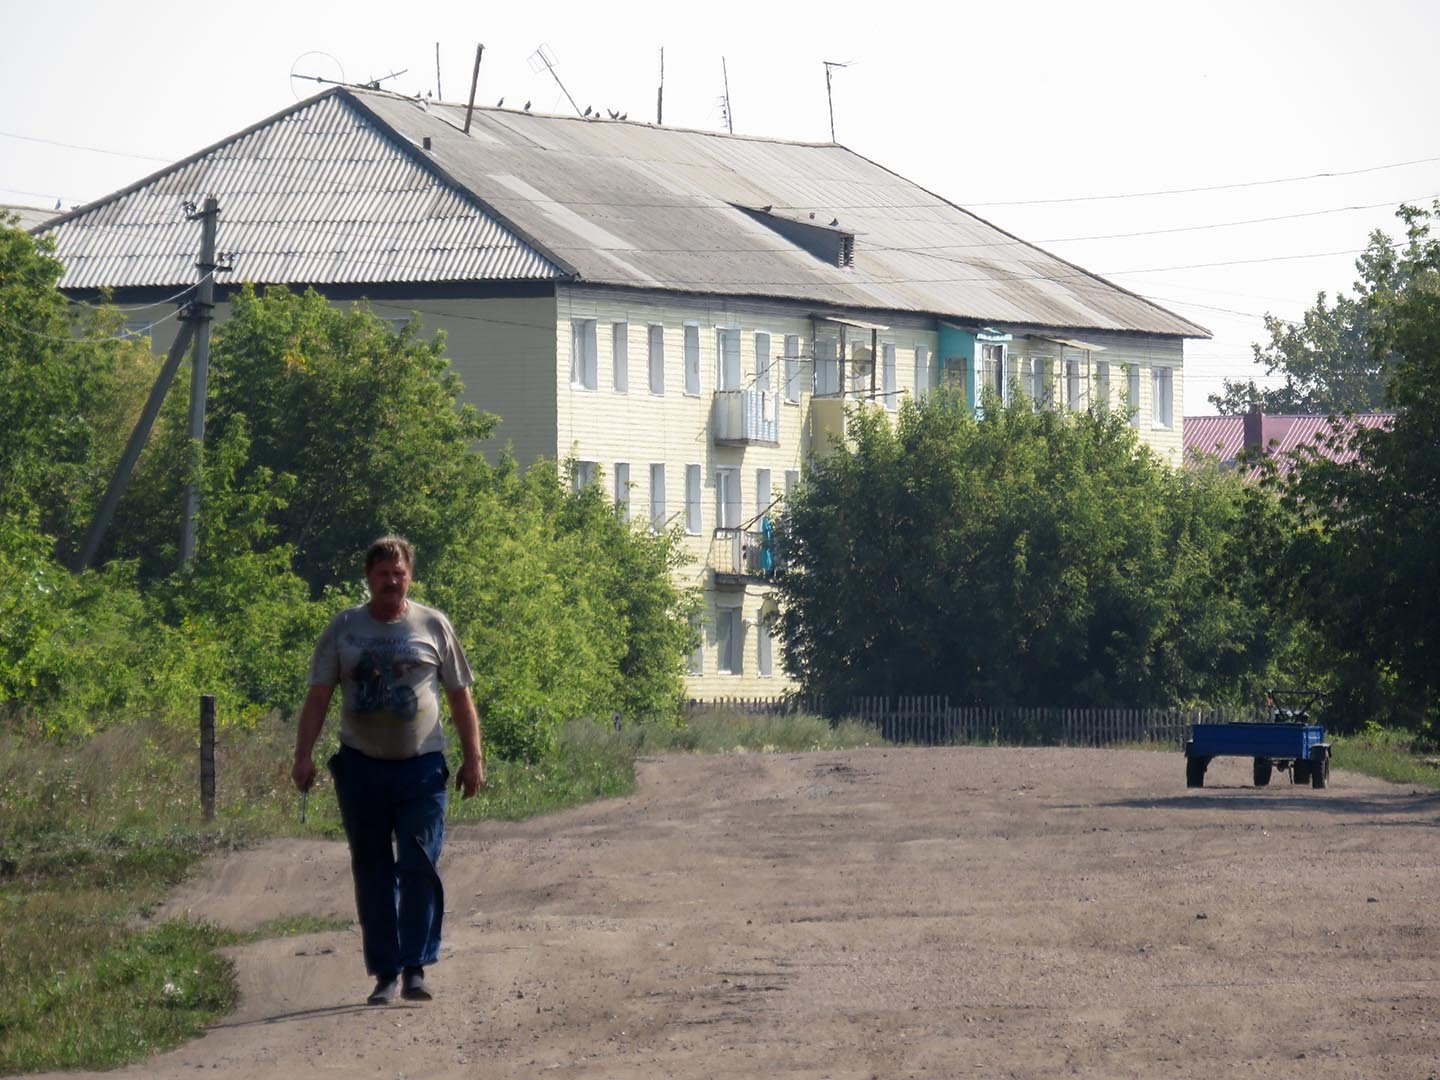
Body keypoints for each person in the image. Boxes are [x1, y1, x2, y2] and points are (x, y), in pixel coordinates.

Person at [292, 536, 485, 1005]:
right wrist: (303, 755)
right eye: (383, 574)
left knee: (419, 864)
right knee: (373, 870)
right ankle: (384, 971)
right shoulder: (344, 629)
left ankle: (415, 967)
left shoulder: (433, 625)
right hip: (360, 769)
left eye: (399, 574)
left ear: (410, 576)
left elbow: (460, 696)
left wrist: (473, 758)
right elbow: (318, 697)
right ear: (369, 578)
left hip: (421, 769)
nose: (392, 582)